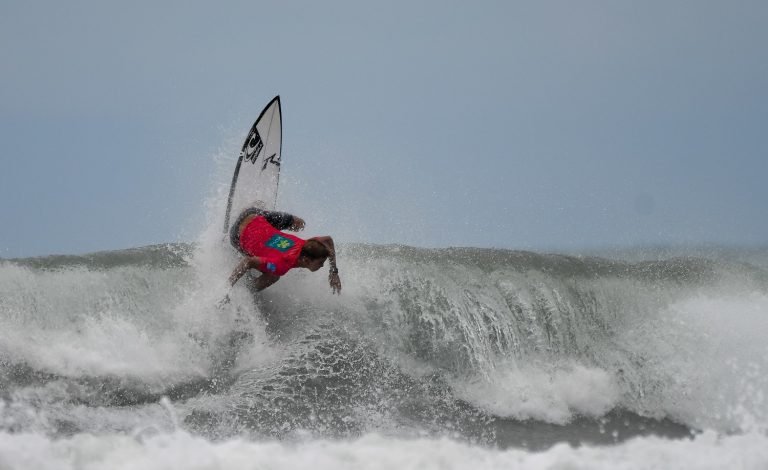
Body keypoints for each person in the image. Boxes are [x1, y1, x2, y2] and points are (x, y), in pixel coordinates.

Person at [228, 207, 341, 294]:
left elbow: (328, 240)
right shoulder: (281, 265)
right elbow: (248, 262)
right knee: (273, 276)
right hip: (236, 235)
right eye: (320, 262)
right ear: (306, 260)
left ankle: (258, 205)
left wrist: (333, 272)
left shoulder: (305, 244)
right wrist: (227, 287)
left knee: (299, 223)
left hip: (253, 213)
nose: (322, 266)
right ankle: (246, 293)